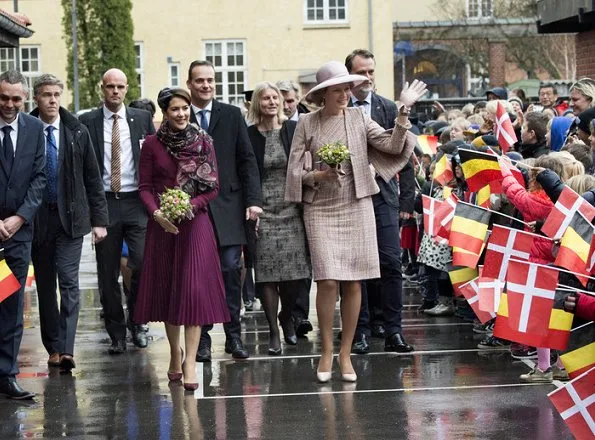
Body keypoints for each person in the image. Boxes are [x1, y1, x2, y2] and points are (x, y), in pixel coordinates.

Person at [285, 61, 424, 382]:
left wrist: (403, 112)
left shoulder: (360, 117)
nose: (346, 95)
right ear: (324, 95)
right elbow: (293, 172)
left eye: (347, 89)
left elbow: (391, 145)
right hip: (320, 208)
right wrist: (318, 174)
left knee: (353, 281)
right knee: (328, 280)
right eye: (339, 90)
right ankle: (326, 353)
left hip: (356, 205)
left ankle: (345, 354)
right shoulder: (307, 123)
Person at [134, 87, 229, 391]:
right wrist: (157, 213)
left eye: (185, 108)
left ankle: (190, 361)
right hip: (162, 225)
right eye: (175, 109)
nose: (181, 114)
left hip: (195, 224)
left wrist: (192, 205)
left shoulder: (203, 142)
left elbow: (213, 188)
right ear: (165, 112)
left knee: (193, 291)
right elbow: (145, 187)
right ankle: (175, 353)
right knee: (169, 290)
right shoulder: (151, 144)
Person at [30, 74, 108, 372]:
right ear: (36, 98)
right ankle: (52, 346)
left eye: (56, 94)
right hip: (37, 220)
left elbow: (92, 177)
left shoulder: (76, 131)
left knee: (70, 282)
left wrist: (99, 220)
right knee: (46, 286)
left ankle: (67, 347)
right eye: (46, 94)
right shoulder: (27, 130)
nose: (52, 100)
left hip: (71, 220)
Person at [186, 60, 262, 361]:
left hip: (230, 208)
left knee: (231, 270)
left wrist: (253, 200)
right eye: (200, 80)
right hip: (194, 210)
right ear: (190, 84)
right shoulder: (180, 115)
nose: (206, 85)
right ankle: (203, 338)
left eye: (210, 80)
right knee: (201, 276)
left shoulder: (231, 115)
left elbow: (247, 160)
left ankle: (233, 335)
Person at [345, 49, 417, 354]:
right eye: (362, 72)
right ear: (350, 76)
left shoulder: (388, 107)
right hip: (349, 198)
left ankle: (393, 331)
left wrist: (405, 204)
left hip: (384, 197)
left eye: (372, 72)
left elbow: (405, 157)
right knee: (357, 268)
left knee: (390, 263)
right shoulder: (340, 108)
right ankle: (358, 331)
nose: (368, 78)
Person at [79, 68, 156, 354]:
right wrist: (93, 214)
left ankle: (138, 322)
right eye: (110, 86)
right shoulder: (87, 122)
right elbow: (84, 168)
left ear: (127, 89)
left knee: (141, 264)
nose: (115, 91)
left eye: (120, 87)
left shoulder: (142, 119)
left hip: (136, 201)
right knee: (108, 273)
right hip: (105, 204)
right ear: (102, 88)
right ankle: (116, 332)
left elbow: (153, 159)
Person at [246, 82, 311, 355]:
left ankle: (287, 316)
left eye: (276, 98)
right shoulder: (249, 134)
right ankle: (273, 329)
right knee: (266, 273)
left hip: (291, 207)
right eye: (266, 99)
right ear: (257, 104)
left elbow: (306, 161)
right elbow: (246, 171)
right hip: (263, 210)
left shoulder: (293, 130)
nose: (272, 102)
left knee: (296, 273)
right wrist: (251, 206)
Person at [0, 70, 46, 400]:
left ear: (25, 98)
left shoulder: (34, 129)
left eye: (16, 98)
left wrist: (19, 218)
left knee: (10, 304)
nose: (10, 104)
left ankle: (6, 374)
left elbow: (40, 178)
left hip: (17, 234)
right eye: (4, 97)